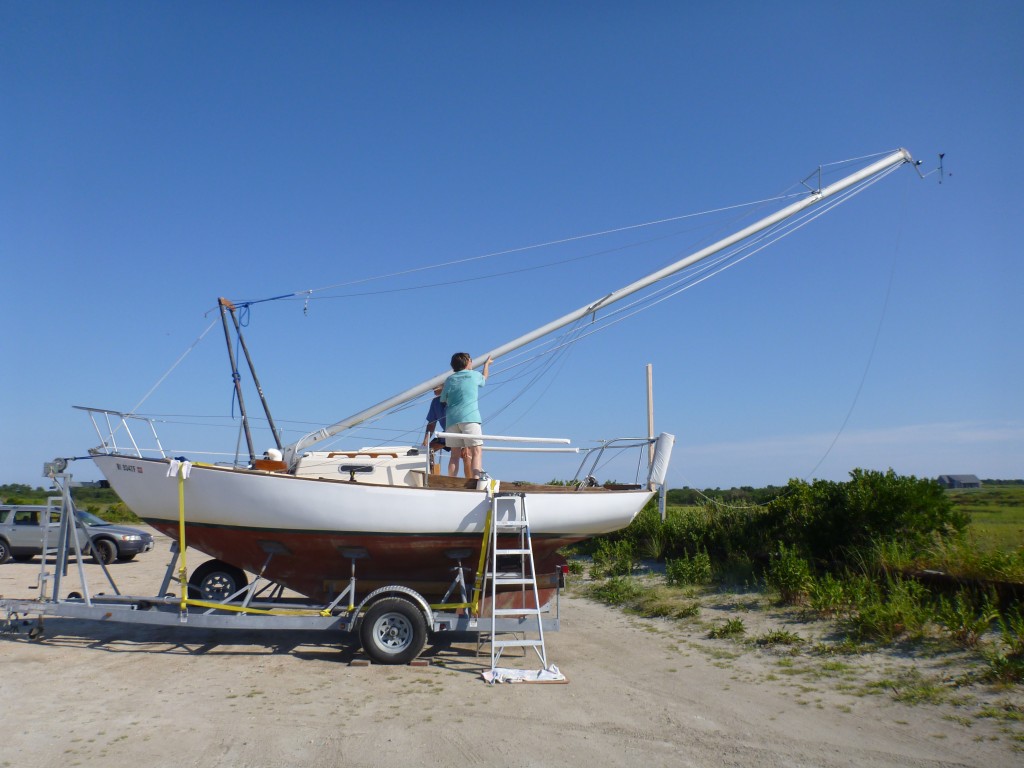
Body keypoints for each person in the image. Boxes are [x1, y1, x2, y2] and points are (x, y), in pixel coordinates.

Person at [439, 352, 492, 479]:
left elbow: (443, 399)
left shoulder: (450, 379)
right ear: (467, 362)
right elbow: (484, 378)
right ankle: (476, 480)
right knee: (476, 452)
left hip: (452, 420)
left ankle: (451, 481)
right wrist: (487, 365)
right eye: (471, 360)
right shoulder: (474, 375)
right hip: (470, 418)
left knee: (454, 456)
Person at [421, 384, 450, 475]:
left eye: (436, 385)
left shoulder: (454, 398)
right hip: (446, 435)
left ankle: (472, 480)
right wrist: (426, 439)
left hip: (458, 432)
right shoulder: (435, 402)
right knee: (428, 450)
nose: (433, 388)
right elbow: (431, 424)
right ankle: (431, 475)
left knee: (465, 455)